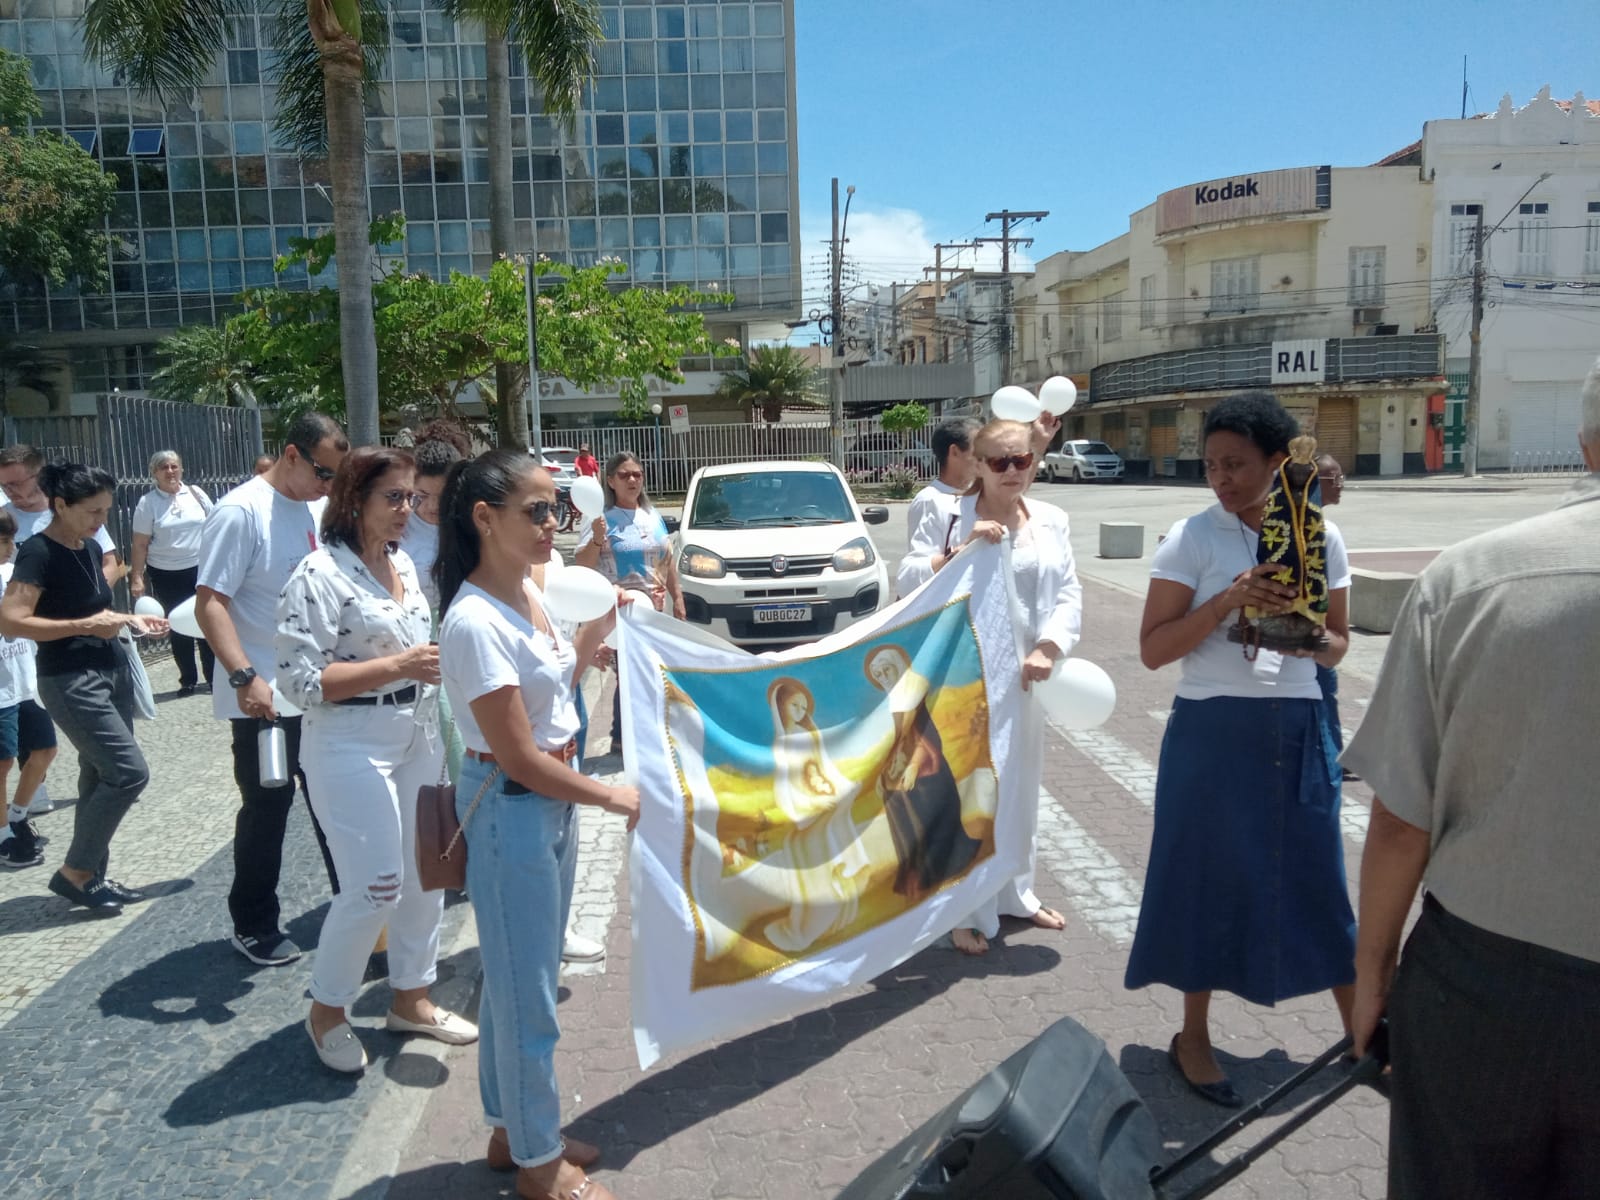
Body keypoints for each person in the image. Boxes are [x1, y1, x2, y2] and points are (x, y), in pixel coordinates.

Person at [1346, 359, 1600, 1200]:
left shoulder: (1470, 579)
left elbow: (1400, 820)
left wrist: (1373, 974)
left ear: (1585, 442)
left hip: (1485, 988)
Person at [1125, 392, 1354, 1108]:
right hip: (1213, 730)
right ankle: (1193, 1036)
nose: (1220, 478)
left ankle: (1364, 1032)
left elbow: (1339, 647)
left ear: (1278, 462)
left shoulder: (1321, 536)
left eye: (1236, 464)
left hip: (1297, 725)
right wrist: (1225, 604)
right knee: (1204, 879)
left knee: (1316, 876)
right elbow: (1154, 651)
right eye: (1211, 465)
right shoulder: (1193, 538)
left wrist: (1305, 630)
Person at [436, 449, 637, 1200]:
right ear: (485, 518)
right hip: (512, 807)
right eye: (540, 510)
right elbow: (518, 756)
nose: (556, 523)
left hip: (544, 804)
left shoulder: (530, 593)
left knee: (523, 980)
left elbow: (562, 686)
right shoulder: (476, 620)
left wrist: (606, 625)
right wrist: (612, 796)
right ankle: (538, 1161)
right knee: (530, 997)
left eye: (558, 507)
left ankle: (509, 1129)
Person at [277, 446, 477, 1073]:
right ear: (353, 500)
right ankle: (327, 1010)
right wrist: (398, 665)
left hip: (414, 729)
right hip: (347, 739)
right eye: (393, 497)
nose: (407, 510)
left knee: (425, 875)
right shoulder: (318, 573)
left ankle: (410, 997)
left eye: (412, 497)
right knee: (375, 886)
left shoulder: (402, 566)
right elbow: (300, 682)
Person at [898, 418, 1082, 955]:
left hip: (1028, 679)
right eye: (998, 461)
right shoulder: (950, 513)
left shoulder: (1051, 519)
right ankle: (963, 909)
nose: (1010, 471)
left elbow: (1067, 591)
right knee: (971, 793)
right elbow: (908, 575)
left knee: (1021, 788)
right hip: (964, 677)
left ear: (1035, 460)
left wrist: (1051, 645)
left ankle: (1014, 893)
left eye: (1021, 460)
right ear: (976, 464)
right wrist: (956, 553)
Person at [196, 413, 349, 967]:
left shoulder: (314, 505)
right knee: (268, 808)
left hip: (320, 690)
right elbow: (210, 602)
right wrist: (243, 677)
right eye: (323, 471)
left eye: (336, 475)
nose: (329, 485)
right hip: (265, 698)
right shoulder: (240, 512)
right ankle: (254, 922)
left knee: (337, 801)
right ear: (291, 454)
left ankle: (357, 913)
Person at [0, 462, 168, 913]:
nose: (100, 521)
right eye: (92, 511)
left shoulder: (90, 548)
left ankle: (92, 878)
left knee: (99, 775)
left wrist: (132, 619)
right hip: (70, 679)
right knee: (129, 772)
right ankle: (74, 872)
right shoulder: (37, 552)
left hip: (110, 669)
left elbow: (97, 612)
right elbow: (12, 621)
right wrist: (85, 625)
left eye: (106, 511)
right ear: (60, 505)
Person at [573, 451, 684, 758]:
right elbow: (581, 565)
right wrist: (596, 539)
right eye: (624, 475)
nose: (632, 479)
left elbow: (667, 559)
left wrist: (678, 598)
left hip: (654, 611)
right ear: (610, 481)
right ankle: (623, 741)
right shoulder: (599, 519)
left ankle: (645, 737)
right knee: (631, 675)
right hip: (619, 611)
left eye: (637, 474)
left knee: (651, 674)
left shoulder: (651, 515)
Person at [864, 645, 982, 903]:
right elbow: (892, 740)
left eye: (886, 669)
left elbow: (924, 735)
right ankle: (914, 874)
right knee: (895, 803)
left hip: (926, 766)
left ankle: (939, 871)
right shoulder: (890, 699)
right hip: (901, 764)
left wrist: (913, 765)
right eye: (878, 673)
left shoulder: (912, 690)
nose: (883, 675)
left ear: (897, 665)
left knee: (928, 817)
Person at [763, 677, 869, 952]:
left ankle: (824, 927)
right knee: (816, 881)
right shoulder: (782, 743)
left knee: (836, 871)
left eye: (803, 705)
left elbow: (825, 768)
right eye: (793, 704)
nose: (799, 710)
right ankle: (806, 930)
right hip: (808, 818)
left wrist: (843, 788)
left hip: (828, 812)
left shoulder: (810, 735)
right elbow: (786, 783)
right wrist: (806, 808)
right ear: (780, 706)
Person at [0, 509, 59, 868]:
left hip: (25, 681)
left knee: (44, 750)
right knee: (3, 761)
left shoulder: (14, 574)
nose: (10, 548)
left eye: (11, 541)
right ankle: (3, 834)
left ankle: (19, 815)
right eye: (4, 541)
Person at [129, 450, 216, 695]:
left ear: (181, 469)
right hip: (167, 572)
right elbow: (140, 543)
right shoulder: (148, 503)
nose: (170, 471)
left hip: (201, 567)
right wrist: (137, 576)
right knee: (178, 624)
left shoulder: (197, 494)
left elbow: (215, 526)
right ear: (154, 473)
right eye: (164, 467)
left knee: (206, 622)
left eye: (174, 466)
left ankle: (213, 678)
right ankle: (187, 679)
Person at [0, 443, 119, 583]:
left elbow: (109, 563)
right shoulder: (3, 518)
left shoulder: (71, 512)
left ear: (39, 476)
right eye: (3, 485)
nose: (8, 490)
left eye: (15, 484)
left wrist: (93, 596)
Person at [1312, 453, 1355, 782]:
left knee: (1326, 692)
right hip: (1305, 634)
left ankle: (1335, 755)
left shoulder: (1327, 532)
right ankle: (1332, 757)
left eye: (1341, 478)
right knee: (1324, 693)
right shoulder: (1306, 526)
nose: (1340, 485)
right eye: (1333, 479)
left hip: (1320, 634)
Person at [903, 416, 980, 555]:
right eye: (978, 450)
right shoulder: (928, 500)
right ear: (954, 452)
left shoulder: (979, 494)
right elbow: (922, 563)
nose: (984, 457)